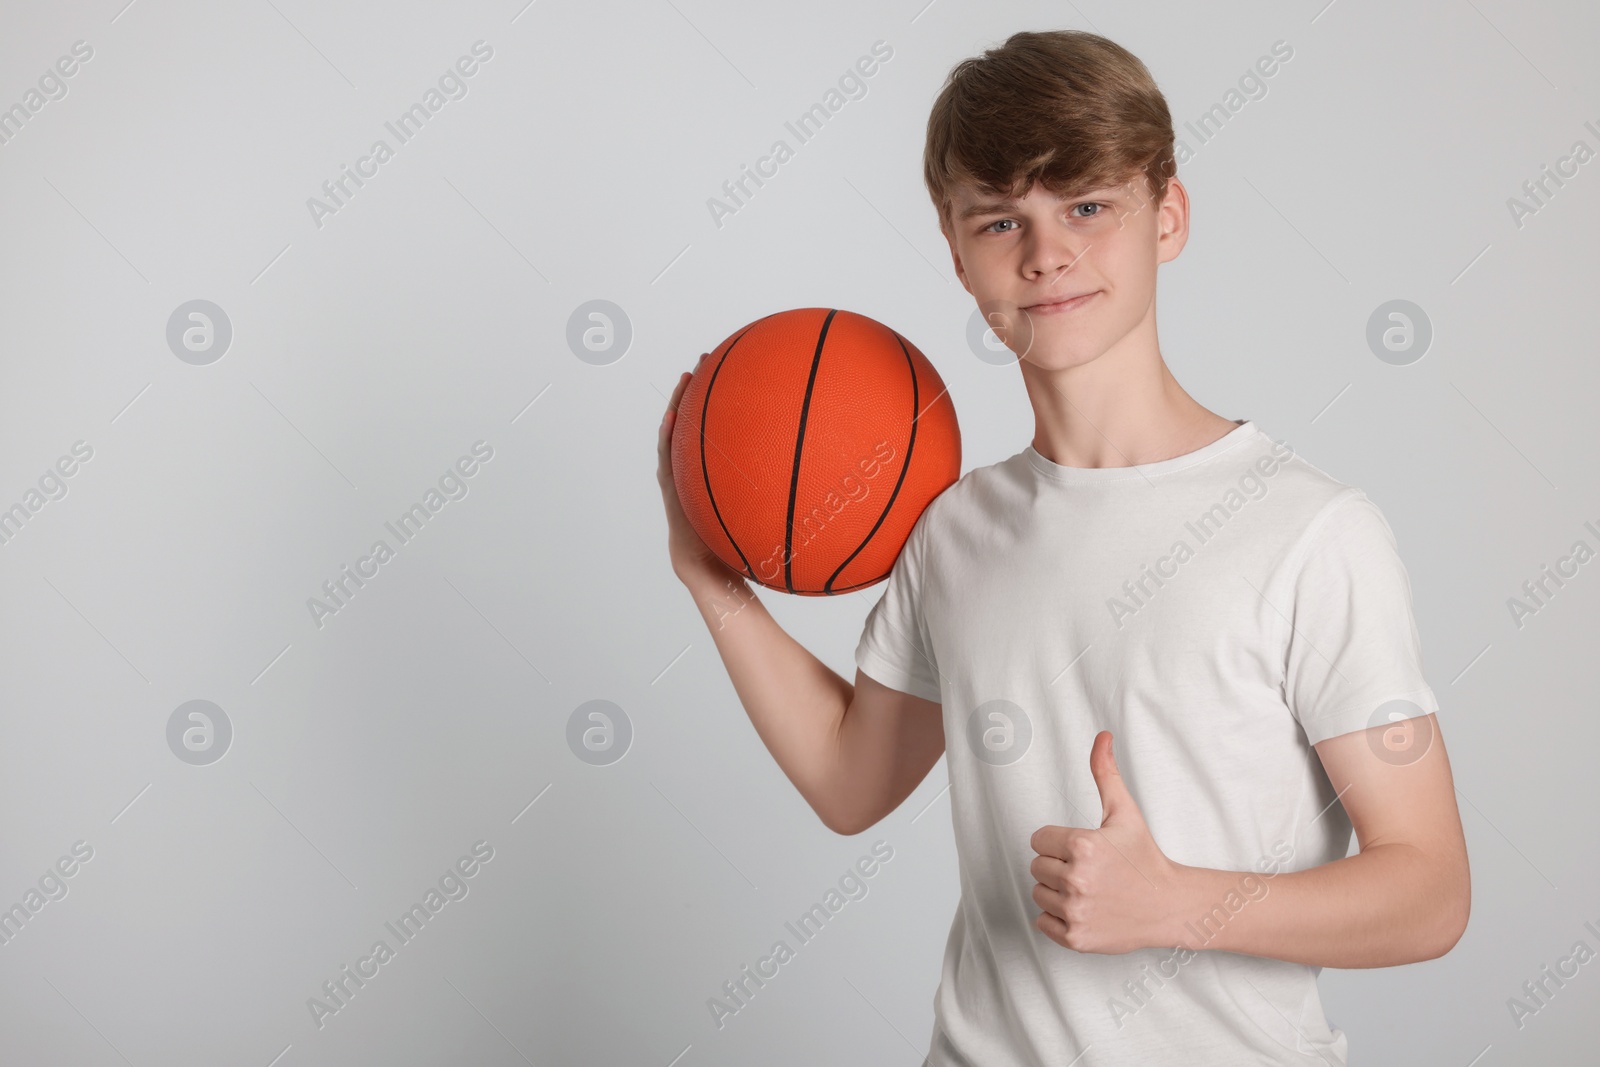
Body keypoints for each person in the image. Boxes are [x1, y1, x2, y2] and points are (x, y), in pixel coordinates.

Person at [655, 28, 1469, 1067]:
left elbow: (1430, 890)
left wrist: (1176, 902)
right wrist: (708, 575)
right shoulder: (952, 530)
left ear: (1166, 215)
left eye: (1087, 205)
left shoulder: (1309, 530)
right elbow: (849, 782)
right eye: (1001, 219)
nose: (1045, 253)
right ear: (955, 251)